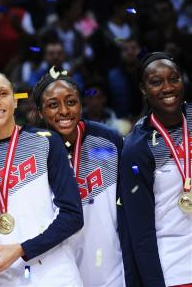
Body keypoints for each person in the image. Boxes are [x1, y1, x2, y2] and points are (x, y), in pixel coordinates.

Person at [0, 70, 83, 286]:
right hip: (0, 276)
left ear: (14, 100)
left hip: (52, 274)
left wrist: (22, 249)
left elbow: (73, 215)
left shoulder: (47, 142)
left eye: (3, 93)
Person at [32, 68, 125, 286]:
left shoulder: (108, 140)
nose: (64, 111)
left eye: (71, 102)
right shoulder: (35, 151)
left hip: (110, 266)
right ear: (39, 112)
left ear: (81, 105)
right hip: (58, 266)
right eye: (53, 105)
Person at [119, 52, 192, 286]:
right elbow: (140, 230)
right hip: (176, 267)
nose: (168, 87)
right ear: (143, 88)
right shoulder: (137, 148)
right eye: (156, 82)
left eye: (174, 78)